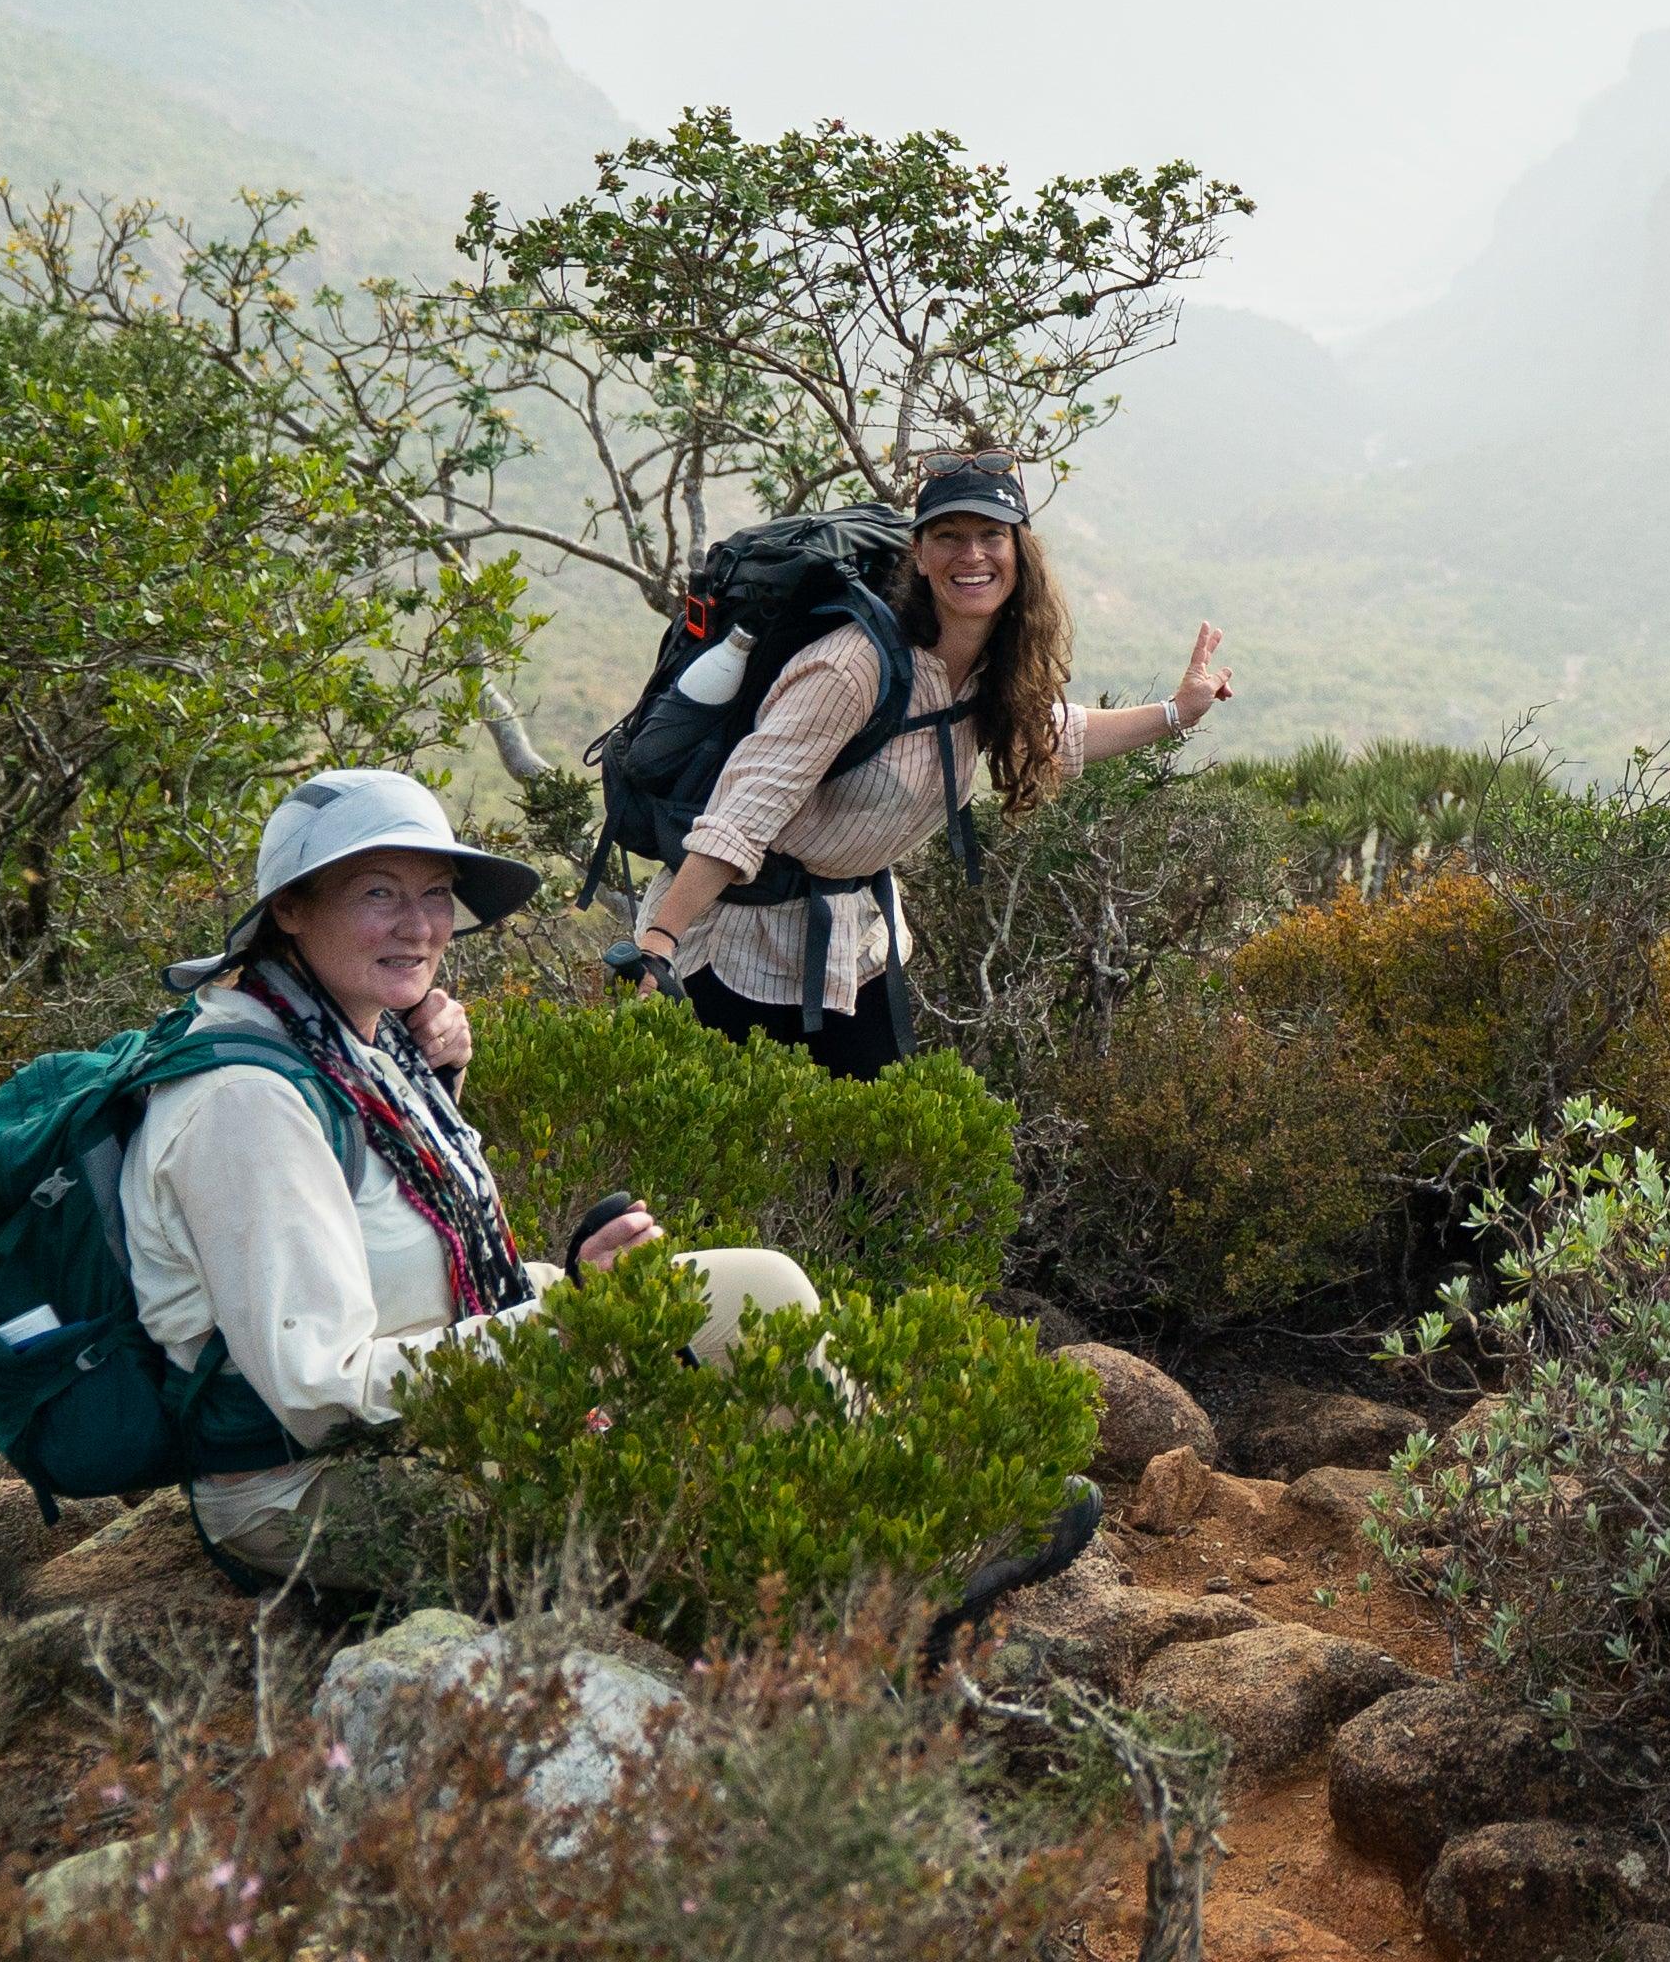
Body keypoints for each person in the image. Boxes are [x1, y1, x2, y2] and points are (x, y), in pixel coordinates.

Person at [131, 769, 820, 1589]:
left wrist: (557, 1281)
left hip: (430, 1407)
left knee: (762, 1292)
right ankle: (818, 1623)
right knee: (653, 1493)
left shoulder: (361, 1046)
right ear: (291, 907)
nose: (419, 926)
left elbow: (417, 1265)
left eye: (436, 895)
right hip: (307, 1485)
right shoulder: (249, 1105)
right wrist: (568, 1320)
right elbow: (321, 1394)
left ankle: (865, 1562)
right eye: (379, 893)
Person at [620, 455, 1233, 1077]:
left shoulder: (995, 666)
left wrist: (1177, 711)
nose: (972, 555)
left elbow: (1052, 734)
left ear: (1020, 550)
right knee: (734, 1162)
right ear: (918, 552)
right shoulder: (852, 668)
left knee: (870, 1166)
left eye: (991, 535)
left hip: (850, 946)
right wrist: (658, 948)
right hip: (736, 944)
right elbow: (742, 816)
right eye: (949, 537)